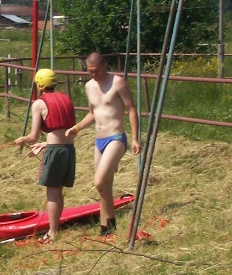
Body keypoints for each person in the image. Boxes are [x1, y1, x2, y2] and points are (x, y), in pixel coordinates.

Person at [66, 52, 141, 236]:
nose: (93, 75)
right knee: (104, 186)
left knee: (98, 182)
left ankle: (110, 223)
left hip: (116, 138)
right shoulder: (89, 86)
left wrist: (135, 138)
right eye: (90, 71)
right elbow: (93, 113)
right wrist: (77, 128)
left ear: (104, 66)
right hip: (99, 140)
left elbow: (131, 109)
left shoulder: (117, 82)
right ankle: (106, 227)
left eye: (96, 71)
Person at [13, 68, 77, 243]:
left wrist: (22, 140)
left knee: (52, 193)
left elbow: (33, 136)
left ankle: (53, 233)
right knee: (59, 192)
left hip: (55, 151)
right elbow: (69, 131)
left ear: (39, 85)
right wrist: (45, 144)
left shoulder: (39, 104)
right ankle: (54, 229)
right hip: (69, 150)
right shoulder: (66, 99)